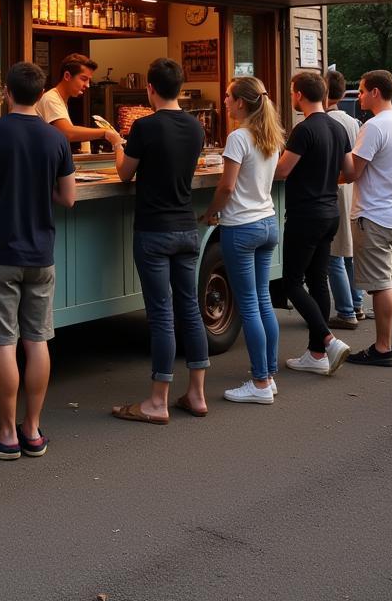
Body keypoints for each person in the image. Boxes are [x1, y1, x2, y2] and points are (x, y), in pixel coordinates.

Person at [0, 62, 76, 460]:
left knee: (3, 344)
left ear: (7, 94)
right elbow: (68, 197)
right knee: (38, 340)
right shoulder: (55, 139)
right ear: (40, 93)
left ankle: (7, 433)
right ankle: (32, 430)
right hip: (41, 254)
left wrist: (0, 183)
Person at [111, 57, 208, 423]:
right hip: (186, 228)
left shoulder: (143, 127)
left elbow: (124, 174)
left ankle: (157, 401)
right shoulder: (196, 128)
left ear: (149, 88)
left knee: (162, 315)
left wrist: (117, 143)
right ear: (179, 88)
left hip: (153, 230)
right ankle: (196, 394)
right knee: (190, 309)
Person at [202, 76, 285, 404]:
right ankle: (270, 375)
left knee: (249, 303)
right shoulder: (272, 135)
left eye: (228, 97)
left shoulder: (238, 138)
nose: (224, 101)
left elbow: (226, 186)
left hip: (242, 227)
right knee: (262, 300)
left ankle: (260, 382)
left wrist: (211, 213)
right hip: (267, 222)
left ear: (241, 103)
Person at [274, 71, 355, 376]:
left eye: (292, 91)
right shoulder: (337, 128)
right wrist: (325, 179)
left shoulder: (303, 130)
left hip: (304, 214)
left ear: (299, 94)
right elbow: (350, 171)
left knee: (292, 283)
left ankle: (328, 340)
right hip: (330, 211)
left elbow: (283, 171)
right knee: (318, 280)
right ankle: (317, 354)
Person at [345, 69, 392, 367]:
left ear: (376, 92)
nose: (359, 96)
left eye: (362, 91)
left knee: (380, 285)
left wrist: (341, 156)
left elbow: (354, 171)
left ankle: (382, 347)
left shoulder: (374, 127)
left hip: (376, 216)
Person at [325, 70, 365, 327]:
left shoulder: (327, 122)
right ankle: (357, 302)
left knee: (335, 253)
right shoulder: (353, 121)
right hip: (353, 188)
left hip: (336, 188)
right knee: (349, 250)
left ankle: (346, 310)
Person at [36, 53, 124, 150]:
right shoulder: (51, 98)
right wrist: (105, 132)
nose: (87, 85)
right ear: (67, 76)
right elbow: (67, 133)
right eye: (83, 79)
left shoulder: (61, 99)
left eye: (89, 80)